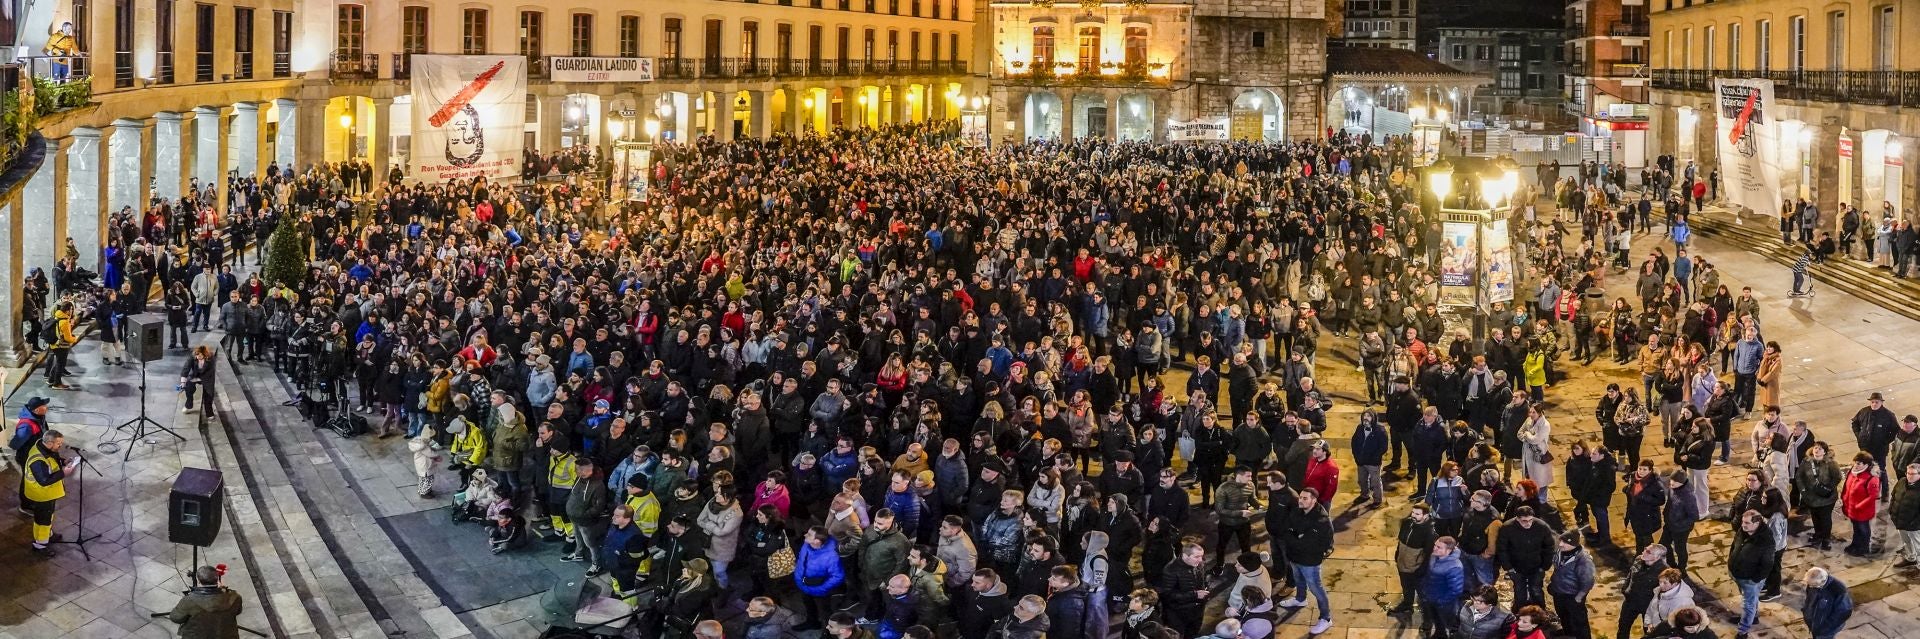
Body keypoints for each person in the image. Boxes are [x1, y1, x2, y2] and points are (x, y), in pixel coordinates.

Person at [1277, 487, 1333, 635]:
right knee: (1298, 579)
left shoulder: (1321, 520)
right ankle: (1300, 599)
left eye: (1305, 498)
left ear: (1314, 500)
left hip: (1309, 560)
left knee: (1316, 588)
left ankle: (1326, 618)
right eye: (1300, 497)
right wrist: (1297, 535)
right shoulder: (1297, 510)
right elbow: (1286, 529)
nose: (1300, 500)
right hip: (1294, 556)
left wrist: (1294, 536)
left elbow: (1306, 543)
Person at [21, 429, 76, 556]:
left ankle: (48, 535)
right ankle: (40, 545)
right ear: (50, 443)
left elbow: (52, 459)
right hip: (41, 495)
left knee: (48, 515)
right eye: (58, 444)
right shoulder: (38, 460)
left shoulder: (44, 447)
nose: (60, 446)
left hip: (48, 494)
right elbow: (44, 481)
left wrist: (63, 462)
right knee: (42, 520)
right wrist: (63, 473)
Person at [1496, 505, 1555, 608]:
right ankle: (1519, 611)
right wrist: (1508, 567)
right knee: (1519, 591)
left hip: (1536, 566)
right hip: (1516, 567)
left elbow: (1549, 547)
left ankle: (1540, 612)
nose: (1528, 523)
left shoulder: (1542, 527)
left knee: (1536, 590)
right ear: (1517, 518)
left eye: (1530, 520)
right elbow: (1502, 549)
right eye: (1524, 521)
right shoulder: (1507, 528)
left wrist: (1544, 566)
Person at [1730, 509, 1776, 639]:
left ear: (1757, 524)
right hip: (1738, 574)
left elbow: (1767, 564)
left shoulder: (1766, 541)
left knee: (1748, 604)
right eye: (1743, 522)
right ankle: (1753, 617)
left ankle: (1743, 631)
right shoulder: (1743, 531)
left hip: (1750, 579)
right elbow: (1734, 546)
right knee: (1751, 600)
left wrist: (1755, 579)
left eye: (1747, 523)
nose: (1743, 525)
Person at [167, 565, 244, 639]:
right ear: (217, 580)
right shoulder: (235, 597)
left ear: (199, 581)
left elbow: (175, 618)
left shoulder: (189, 600)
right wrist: (225, 590)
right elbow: (238, 611)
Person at [1547, 532, 1594, 639]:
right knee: (1564, 616)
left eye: (1565, 542)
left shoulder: (1584, 560)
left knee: (1579, 622)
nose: (1560, 544)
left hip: (1573, 596)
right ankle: (1568, 634)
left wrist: (1578, 597)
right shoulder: (1560, 552)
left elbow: (1588, 582)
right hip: (1559, 593)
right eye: (1561, 541)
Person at [1618, 544, 1669, 639]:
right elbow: (1631, 574)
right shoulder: (1639, 559)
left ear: (1657, 557)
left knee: (1649, 632)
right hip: (1631, 601)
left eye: (1648, 552)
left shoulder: (1664, 571)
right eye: (1645, 549)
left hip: (1648, 606)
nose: (1644, 552)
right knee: (1623, 627)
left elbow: (1665, 592)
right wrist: (1625, 589)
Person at [1419, 536, 1465, 639]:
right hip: (1431, 597)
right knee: (1437, 620)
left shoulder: (1454, 566)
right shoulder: (1435, 556)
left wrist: (1441, 601)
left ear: (1448, 550)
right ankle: (1440, 634)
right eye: (1435, 545)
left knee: (1448, 622)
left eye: (1439, 547)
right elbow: (1428, 574)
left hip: (1443, 603)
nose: (1434, 548)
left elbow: (1456, 590)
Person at [1843, 452, 1882, 557]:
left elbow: (1872, 496)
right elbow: (1847, 488)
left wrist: (1859, 506)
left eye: (1859, 463)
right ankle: (1855, 544)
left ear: (1866, 465)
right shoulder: (1853, 473)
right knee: (1856, 528)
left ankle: (1863, 548)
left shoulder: (1871, 478)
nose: (1855, 465)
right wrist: (1845, 500)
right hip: (1852, 508)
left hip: (1862, 511)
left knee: (1863, 529)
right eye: (1855, 462)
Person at [1801, 566, 1854, 639]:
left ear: (1821, 583)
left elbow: (1844, 612)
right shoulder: (1813, 583)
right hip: (1815, 624)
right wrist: (1806, 610)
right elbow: (1809, 598)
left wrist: (1825, 628)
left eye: (1813, 585)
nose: (1810, 586)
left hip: (1825, 629)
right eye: (1809, 584)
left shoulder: (1838, 590)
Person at [1892, 462, 1920, 567]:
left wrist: (1914, 523)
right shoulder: (1902, 482)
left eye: (1913, 474)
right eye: (1908, 473)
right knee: (1906, 542)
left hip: (1914, 526)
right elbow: (1894, 496)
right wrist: (1892, 512)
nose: (1909, 476)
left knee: (1918, 546)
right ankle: (1910, 558)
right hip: (1901, 521)